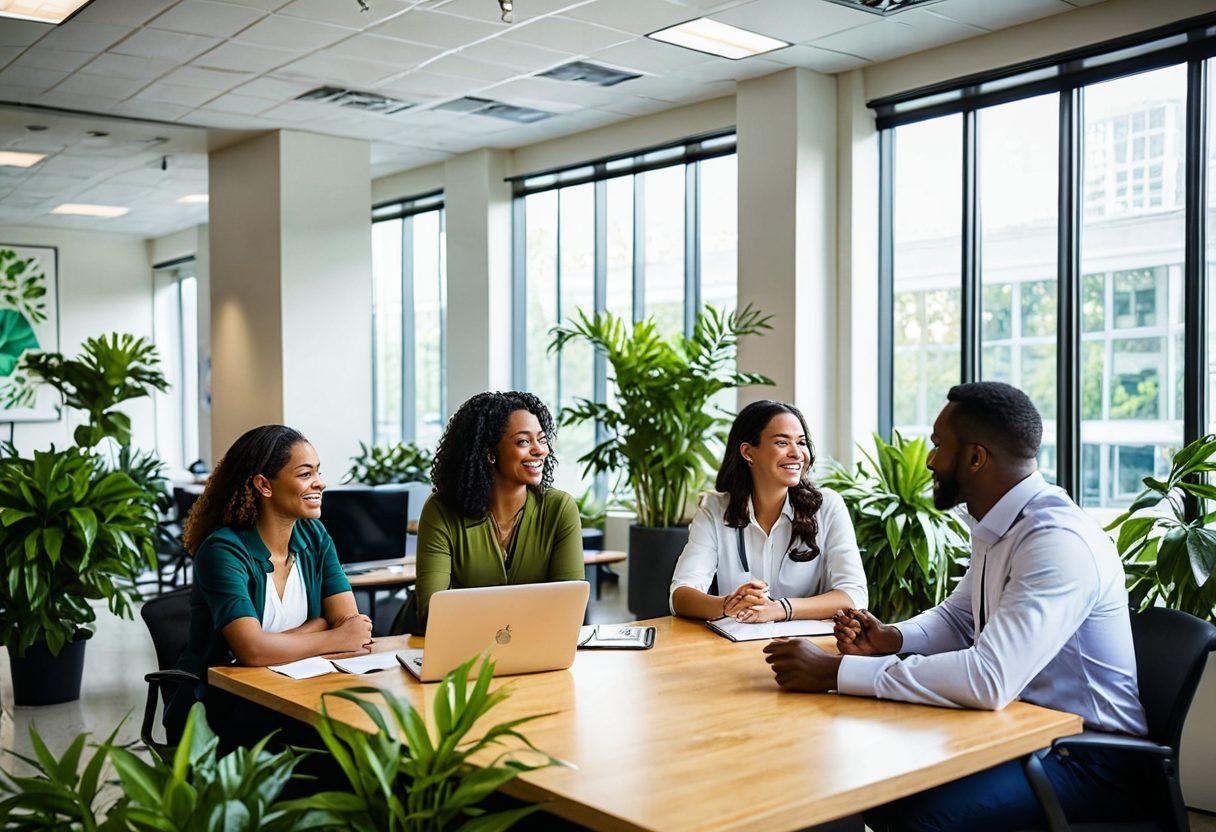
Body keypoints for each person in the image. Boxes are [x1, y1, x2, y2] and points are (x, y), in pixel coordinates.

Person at [762, 382, 1150, 831]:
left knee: (914, 814)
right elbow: (959, 616)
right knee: (874, 784)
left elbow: (989, 678)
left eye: (938, 445)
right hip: (1017, 731)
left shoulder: (1055, 542)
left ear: (975, 457)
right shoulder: (1000, 524)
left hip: (1089, 759)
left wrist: (834, 673)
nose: (929, 459)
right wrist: (893, 638)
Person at [166, 425, 373, 743]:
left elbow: (350, 625)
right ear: (264, 485)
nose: (320, 483)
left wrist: (281, 642)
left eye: (318, 472)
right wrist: (325, 631)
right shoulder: (223, 550)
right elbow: (251, 649)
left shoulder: (314, 536)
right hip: (218, 710)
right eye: (305, 474)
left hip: (297, 694)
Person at [670, 400, 868, 622]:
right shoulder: (715, 509)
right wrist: (729, 604)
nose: (797, 453)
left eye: (801, 442)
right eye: (782, 442)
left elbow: (854, 595)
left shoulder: (828, 506)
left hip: (808, 649)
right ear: (748, 452)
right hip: (737, 646)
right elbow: (680, 595)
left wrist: (781, 609)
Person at [414, 391, 584, 627]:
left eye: (542, 439)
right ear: (490, 454)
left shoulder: (559, 509)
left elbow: (569, 608)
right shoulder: (441, 511)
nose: (540, 450)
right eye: (524, 441)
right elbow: (431, 612)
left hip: (536, 652)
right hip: (463, 655)